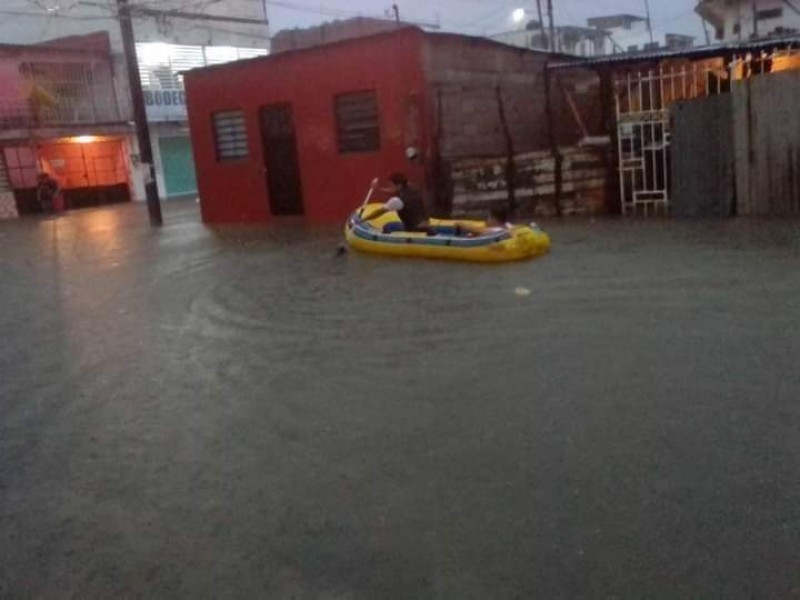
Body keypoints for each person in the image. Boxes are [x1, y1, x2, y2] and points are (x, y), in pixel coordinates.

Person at [362, 173, 431, 233]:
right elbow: (393, 191)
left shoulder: (397, 201)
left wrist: (364, 219)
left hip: (414, 229)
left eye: (391, 186)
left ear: (399, 186)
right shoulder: (412, 189)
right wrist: (378, 189)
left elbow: (379, 212)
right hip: (426, 225)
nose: (389, 188)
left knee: (388, 226)